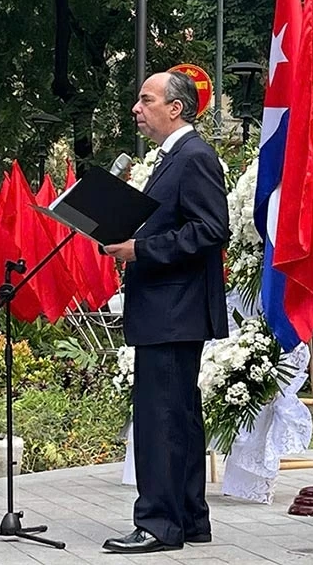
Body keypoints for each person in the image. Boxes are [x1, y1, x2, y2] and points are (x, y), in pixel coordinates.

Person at [101, 71, 230, 553]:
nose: (137, 107)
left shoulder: (194, 157)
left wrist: (142, 250)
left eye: (145, 99)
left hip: (174, 309)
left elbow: (212, 229)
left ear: (175, 108)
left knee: (160, 418)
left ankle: (158, 525)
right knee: (180, 417)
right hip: (166, 308)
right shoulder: (170, 158)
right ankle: (190, 519)